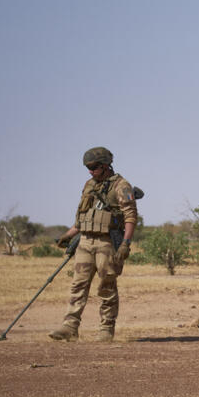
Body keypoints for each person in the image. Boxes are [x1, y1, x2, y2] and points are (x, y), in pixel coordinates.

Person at [48, 147, 138, 342]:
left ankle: (106, 329)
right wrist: (67, 235)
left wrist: (125, 244)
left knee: (106, 286)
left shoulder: (122, 186)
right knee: (78, 284)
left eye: (94, 167)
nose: (90, 171)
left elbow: (131, 216)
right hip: (85, 241)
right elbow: (83, 218)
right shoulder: (89, 185)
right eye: (88, 167)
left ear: (106, 166)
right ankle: (70, 327)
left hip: (107, 242)